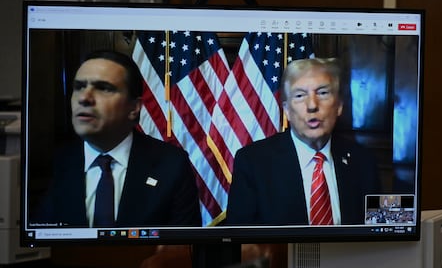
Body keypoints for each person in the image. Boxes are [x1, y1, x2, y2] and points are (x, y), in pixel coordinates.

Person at [33, 50, 201, 228]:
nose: (84, 98)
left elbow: (182, 249)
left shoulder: (171, 165)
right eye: (79, 87)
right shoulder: (51, 164)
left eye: (104, 88)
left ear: (134, 108)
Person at [226, 57, 382, 226]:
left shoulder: (364, 161)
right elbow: (241, 243)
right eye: (300, 95)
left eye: (322, 93)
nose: (312, 105)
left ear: (338, 106)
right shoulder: (253, 163)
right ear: (286, 110)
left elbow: (379, 235)